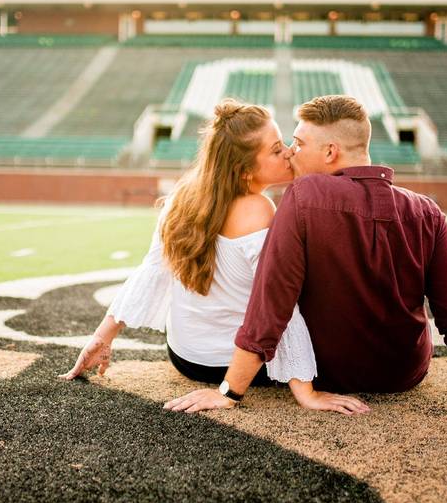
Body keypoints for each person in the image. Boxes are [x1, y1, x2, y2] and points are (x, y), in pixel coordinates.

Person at [164, 94, 447, 441]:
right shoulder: (427, 211)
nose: (290, 152)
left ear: (330, 152)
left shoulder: (304, 194)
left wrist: (230, 392)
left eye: (297, 142)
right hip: (404, 374)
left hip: (330, 374)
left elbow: (272, 302)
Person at [59, 98, 369, 415]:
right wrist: (306, 391)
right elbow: (277, 301)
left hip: (185, 358)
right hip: (237, 366)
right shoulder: (260, 211)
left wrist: (102, 338)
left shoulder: (182, 196)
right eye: (276, 149)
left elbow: (150, 272)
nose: (289, 151)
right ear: (245, 171)